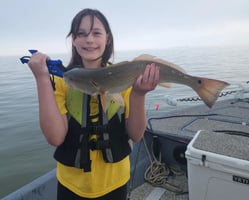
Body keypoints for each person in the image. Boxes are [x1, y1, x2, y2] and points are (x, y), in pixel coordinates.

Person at [28, 8, 160, 200]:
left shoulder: (123, 77)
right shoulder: (62, 81)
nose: (89, 39)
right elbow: (55, 137)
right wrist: (42, 78)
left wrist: (139, 93)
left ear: (107, 38)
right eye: (81, 34)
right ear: (73, 40)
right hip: (71, 185)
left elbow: (137, 134)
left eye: (96, 33)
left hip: (116, 183)